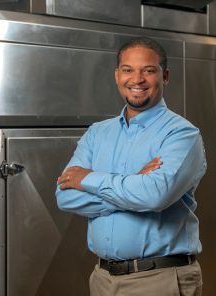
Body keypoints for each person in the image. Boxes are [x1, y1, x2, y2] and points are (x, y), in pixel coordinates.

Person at [56, 36, 207, 296]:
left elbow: (154, 195)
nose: (136, 80)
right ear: (117, 75)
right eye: (128, 70)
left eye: (148, 70)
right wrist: (132, 183)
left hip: (159, 279)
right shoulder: (97, 134)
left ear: (165, 75)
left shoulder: (182, 135)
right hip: (103, 279)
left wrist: (90, 179)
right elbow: (65, 196)